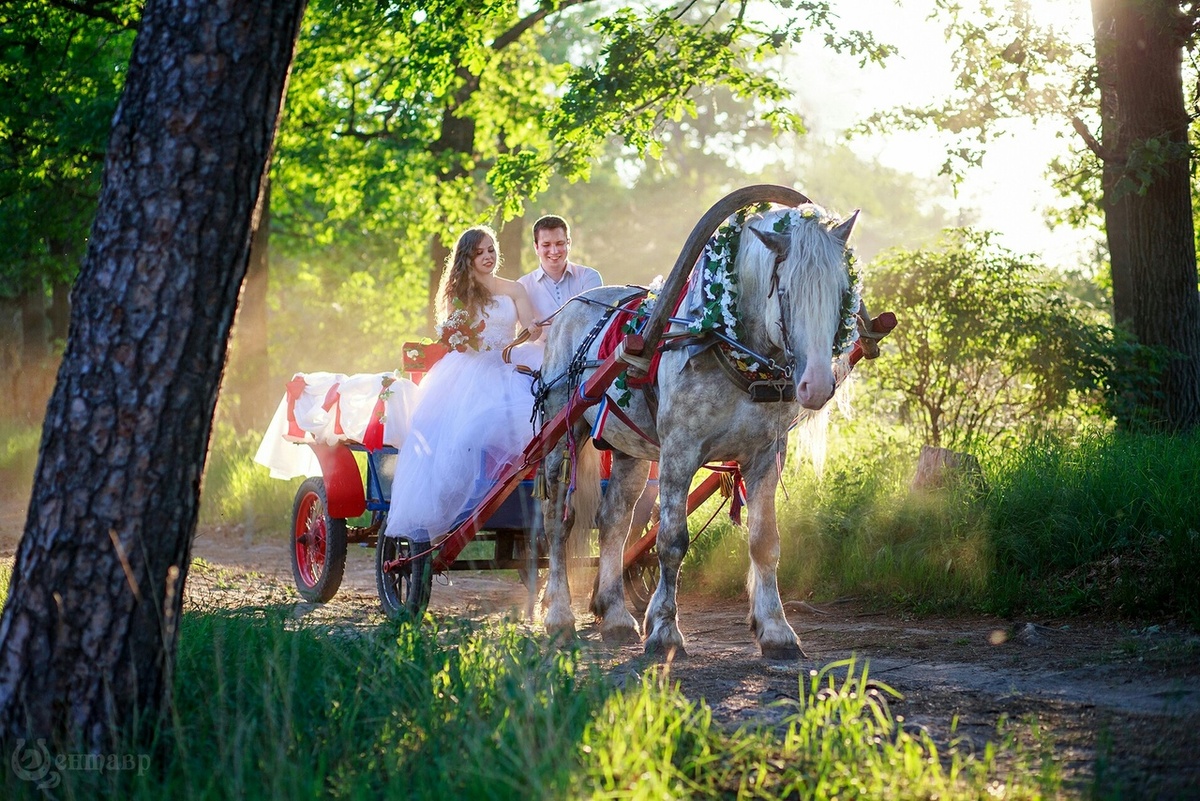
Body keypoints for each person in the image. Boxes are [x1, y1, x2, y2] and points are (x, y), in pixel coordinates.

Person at [383, 225, 542, 545]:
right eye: (479, 252)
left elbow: (531, 330)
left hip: (506, 363)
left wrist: (534, 326)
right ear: (467, 258)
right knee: (468, 426)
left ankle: (524, 486)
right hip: (469, 368)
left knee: (534, 415)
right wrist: (461, 337)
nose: (487, 257)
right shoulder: (459, 291)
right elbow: (455, 335)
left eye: (491, 251)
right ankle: (452, 497)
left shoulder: (514, 289)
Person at [511, 214, 603, 368]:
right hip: (542, 357)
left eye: (560, 243)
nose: (554, 251)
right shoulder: (523, 285)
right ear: (536, 247)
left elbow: (592, 319)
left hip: (586, 353)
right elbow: (526, 337)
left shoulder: (589, 277)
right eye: (546, 245)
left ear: (569, 243)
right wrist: (532, 332)